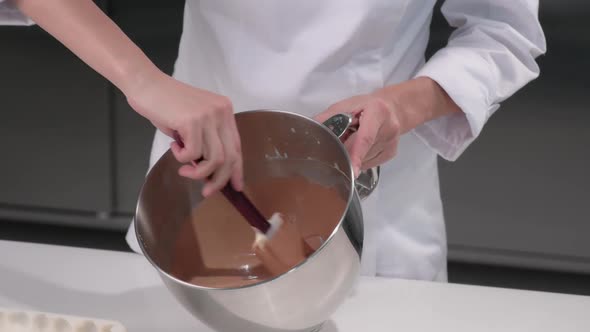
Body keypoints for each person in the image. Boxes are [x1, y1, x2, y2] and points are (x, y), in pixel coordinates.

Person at [1, 0, 546, 281]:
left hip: (372, 214)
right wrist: (142, 80)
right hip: (197, 189)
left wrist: (399, 106)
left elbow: (504, 32)